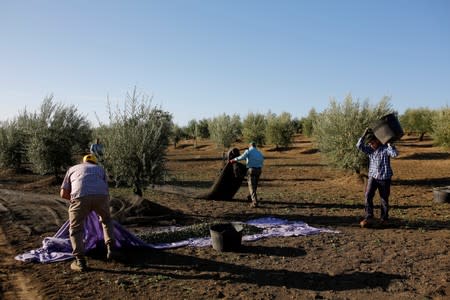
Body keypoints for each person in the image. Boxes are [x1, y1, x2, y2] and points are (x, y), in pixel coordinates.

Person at [60, 154, 119, 272]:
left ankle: (80, 261)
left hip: (80, 197)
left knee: (76, 228)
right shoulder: (100, 169)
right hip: (101, 196)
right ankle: (112, 250)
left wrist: (75, 201)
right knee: (106, 220)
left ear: (83, 162)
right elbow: (106, 190)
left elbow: (63, 193)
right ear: (95, 163)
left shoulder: (72, 169)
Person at [356, 128, 398, 228]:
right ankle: (369, 217)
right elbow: (359, 146)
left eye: (372, 142)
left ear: (378, 141)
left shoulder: (385, 149)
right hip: (372, 177)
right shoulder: (370, 150)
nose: (370, 144)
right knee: (368, 196)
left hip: (385, 178)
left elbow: (395, 154)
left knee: (384, 199)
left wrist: (389, 143)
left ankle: (384, 219)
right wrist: (364, 134)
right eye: (369, 143)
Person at [229, 142, 264, 208]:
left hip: (251, 170)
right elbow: (262, 160)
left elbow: (242, 157)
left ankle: (255, 202)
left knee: (251, 186)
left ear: (250, 146)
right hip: (259, 170)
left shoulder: (248, 151)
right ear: (255, 146)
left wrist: (233, 160)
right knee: (255, 185)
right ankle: (250, 197)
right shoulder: (259, 152)